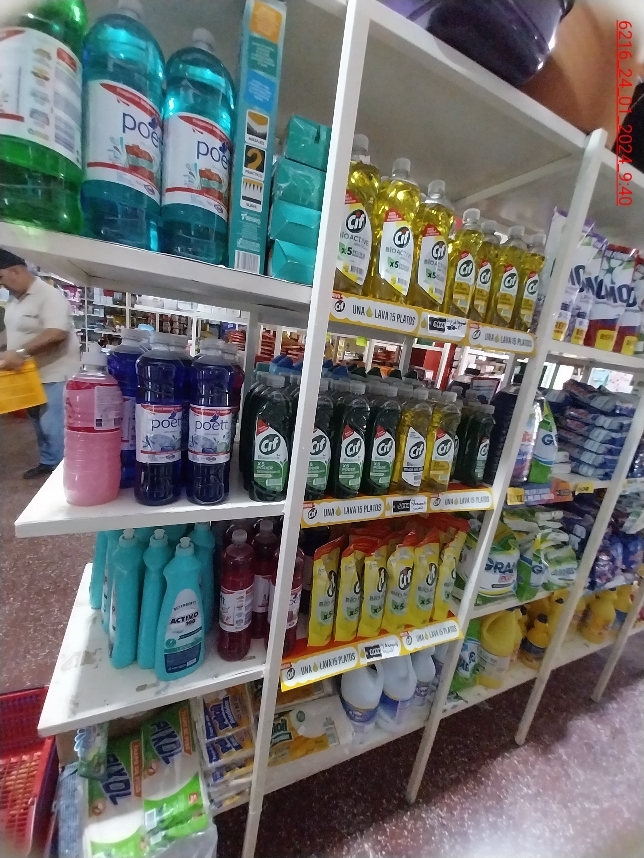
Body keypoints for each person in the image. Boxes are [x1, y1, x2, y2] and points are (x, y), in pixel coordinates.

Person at [0, 248, 80, 478]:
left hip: (55, 374)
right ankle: (48, 461)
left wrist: (21, 352)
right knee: (37, 423)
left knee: (54, 427)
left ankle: (64, 473)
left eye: (1, 277)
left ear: (15, 271)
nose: (1, 283)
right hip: (29, 375)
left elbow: (57, 333)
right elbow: (13, 331)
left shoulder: (49, 296)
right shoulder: (15, 300)